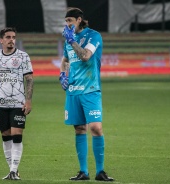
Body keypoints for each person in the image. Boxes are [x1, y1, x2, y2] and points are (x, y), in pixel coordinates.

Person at [60, 7, 114, 181]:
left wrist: (72, 41)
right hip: (73, 91)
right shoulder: (67, 41)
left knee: (96, 128)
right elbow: (65, 60)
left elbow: (85, 56)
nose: (67, 24)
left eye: (70, 21)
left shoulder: (93, 36)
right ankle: (83, 171)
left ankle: (100, 171)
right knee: (79, 129)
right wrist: (62, 75)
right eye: (66, 21)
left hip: (91, 89)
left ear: (79, 20)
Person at [0, 27, 34, 180]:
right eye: (8, 37)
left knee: (17, 134)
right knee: (5, 135)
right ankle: (12, 170)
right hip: (1, 103)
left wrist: (28, 100)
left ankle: (13, 170)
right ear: (1, 40)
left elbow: (29, 79)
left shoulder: (23, 56)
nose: (11, 40)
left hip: (18, 103)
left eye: (13, 37)